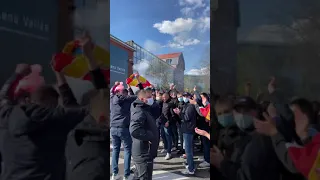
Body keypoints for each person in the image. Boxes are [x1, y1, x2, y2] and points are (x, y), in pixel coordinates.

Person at [0, 64, 88, 180]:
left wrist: (17, 75)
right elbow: (81, 110)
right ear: (51, 104)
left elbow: (4, 97)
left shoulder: (6, 116)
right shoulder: (55, 121)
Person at [65, 35, 110, 180]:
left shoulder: (76, 130)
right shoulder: (95, 164)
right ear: (103, 118)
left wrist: (90, 56)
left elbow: (101, 90)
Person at [211, 96, 283, 180]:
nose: (242, 115)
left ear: (256, 110)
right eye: (238, 111)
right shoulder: (246, 136)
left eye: (246, 111)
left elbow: (245, 175)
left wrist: (222, 163)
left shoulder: (260, 138)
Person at [110, 74, 143, 180]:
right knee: (128, 150)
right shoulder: (127, 99)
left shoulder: (111, 99)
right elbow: (140, 94)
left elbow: (111, 91)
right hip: (123, 128)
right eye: (124, 91)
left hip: (113, 127)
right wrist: (135, 82)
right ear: (122, 92)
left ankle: (114, 174)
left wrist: (116, 86)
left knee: (116, 150)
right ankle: (126, 174)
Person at [130, 90, 159, 180]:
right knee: (144, 177)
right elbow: (135, 130)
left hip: (144, 151)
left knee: (138, 176)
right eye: (149, 97)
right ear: (143, 99)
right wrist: (150, 136)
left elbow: (156, 111)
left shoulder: (144, 108)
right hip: (143, 152)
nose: (152, 98)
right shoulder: (140, 111)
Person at [173, 93, 197, 175]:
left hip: (188, 130)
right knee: (187, 149)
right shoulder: (186, 105)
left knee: (188, 150)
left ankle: (191, 169)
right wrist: (179, 113)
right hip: (186, 129)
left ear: (191, 98)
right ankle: (189, 165)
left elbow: (186, 118)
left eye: (186, 96)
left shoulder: (190, 106)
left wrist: (179, 113)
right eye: (184, 96)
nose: (184, 98)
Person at [160, 93, 174, 160]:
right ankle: (165, 148)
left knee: (168, 138)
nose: (164, 98)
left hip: (167, 123)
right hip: (162, 123)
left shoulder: (170, 104)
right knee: (163, 136)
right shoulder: (162, 103)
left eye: (165, 97)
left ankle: (169, 152)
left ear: (168, 97)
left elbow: (172, 115)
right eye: (163, 97)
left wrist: (168, 122)